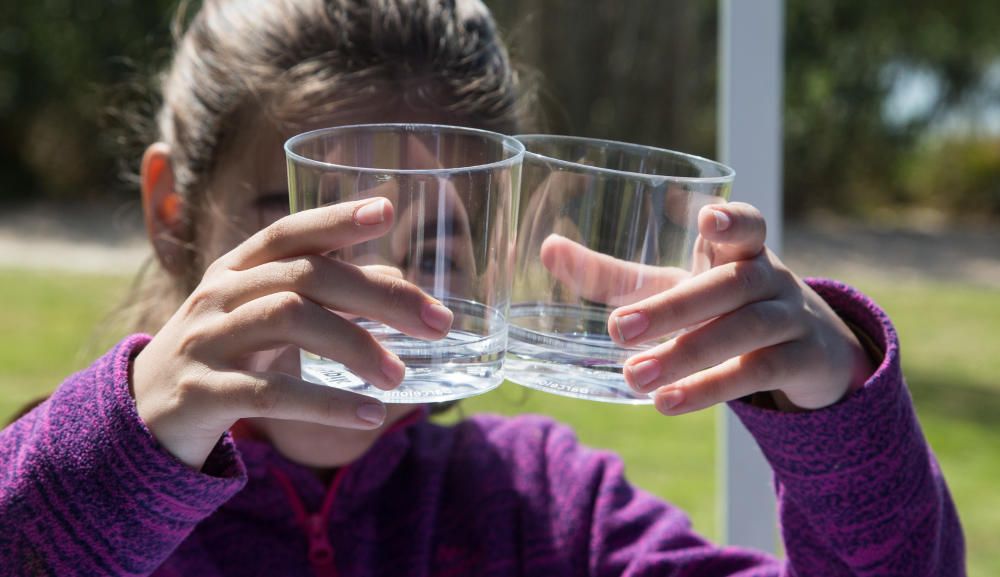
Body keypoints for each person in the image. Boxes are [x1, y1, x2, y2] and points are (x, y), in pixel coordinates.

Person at [0, 0, 964, 575]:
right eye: (308, 226)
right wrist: (131, 442)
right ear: (175, 214)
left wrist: (839, 411)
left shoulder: (551, 513)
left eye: (436, 240)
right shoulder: (81, 491)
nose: (370, 294)